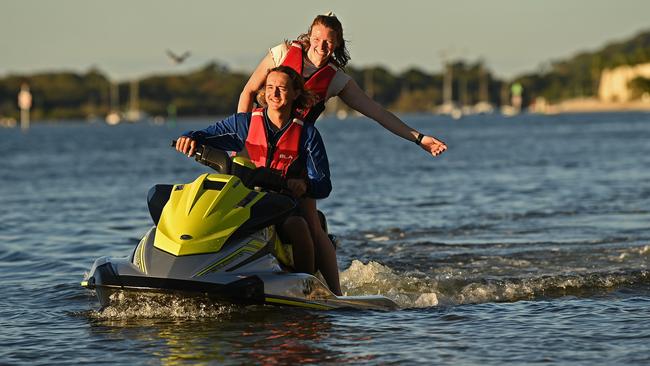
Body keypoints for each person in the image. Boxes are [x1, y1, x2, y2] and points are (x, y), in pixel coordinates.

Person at [237, 13, 448, 295]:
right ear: (309, 35)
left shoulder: (335, 80)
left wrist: (419, 138)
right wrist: (241, 139)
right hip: (258, 147)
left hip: (298, 156)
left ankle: (332, 293)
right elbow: (249, 91)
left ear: (336, 45)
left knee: (310, 222)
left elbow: (378, 113)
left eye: (328, 42)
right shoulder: (281, 54)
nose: (321, 46)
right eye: (317, 39)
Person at [175, 66, 331, 278]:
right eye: (270, 87)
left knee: (299, 226)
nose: (274, 94)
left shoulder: (308, 135)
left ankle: (306, 284)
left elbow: (323, 185)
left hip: (282, 205)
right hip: (243, 199)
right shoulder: (244, 123)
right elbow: (204, 135)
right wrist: (188, 137)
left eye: (281, 88)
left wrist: (305, 186)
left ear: (295, 93)